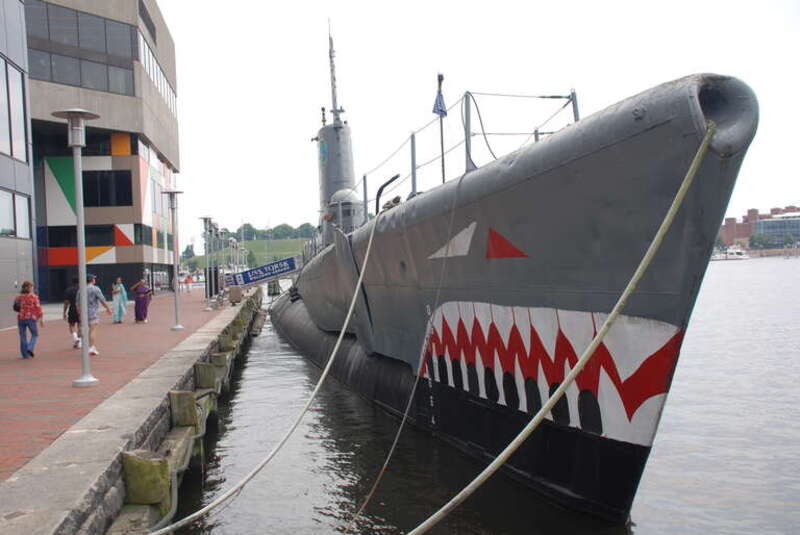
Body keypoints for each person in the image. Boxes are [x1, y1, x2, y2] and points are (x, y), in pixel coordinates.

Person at [15, 281, 44, 359]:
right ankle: (30, 348)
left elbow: (15, 307)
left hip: (21, 318)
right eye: (31, 287)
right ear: (28, 287)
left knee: (22, 336)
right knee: (35, 334)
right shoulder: (34, 297)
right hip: (31, 318)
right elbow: (38, 307)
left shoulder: (18, 297)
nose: (32, 288)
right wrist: (41, 318)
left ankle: (24, 355)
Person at [84, 274, 111, 356]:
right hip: (92, 312)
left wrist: (79, 312)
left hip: (83, 312)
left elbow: (77, 302)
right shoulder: (95, 289)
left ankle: (85, 344)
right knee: (92, 330)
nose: (94, 280)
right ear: (91, 280)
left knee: (86, 329)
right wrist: (108, 308)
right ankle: (91, 347)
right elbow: (102, 299)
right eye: (94, 278)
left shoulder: (81, 289)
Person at [62, 277, 81, 348]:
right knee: (80, 325)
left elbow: (66, 302)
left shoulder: (68, 290)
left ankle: (75, 338)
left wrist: (64, 312)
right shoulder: (82, 290)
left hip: (72, 309)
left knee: (71, 325)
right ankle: (79, 341)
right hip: (81, 310)